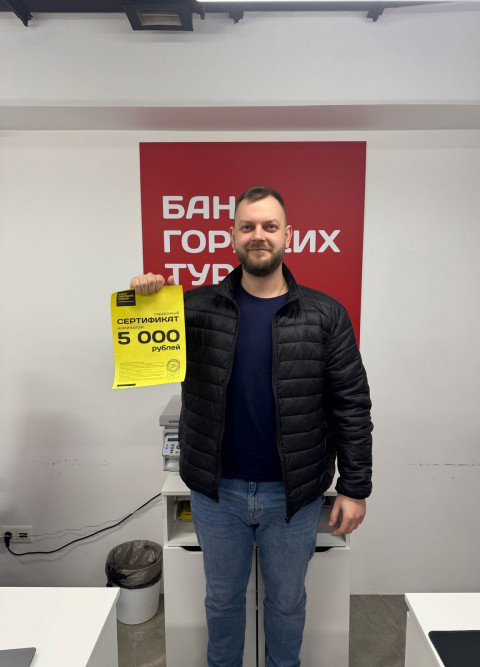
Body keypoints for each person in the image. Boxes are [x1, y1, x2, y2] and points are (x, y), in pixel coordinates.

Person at [131, 185, 373, 667]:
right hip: (217, 493)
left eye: (269, 226)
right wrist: (145, 302)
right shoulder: (193, 308)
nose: (258, 235)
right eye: (248, 226)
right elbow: (144, 357)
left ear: (288, 235)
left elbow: (351, 404)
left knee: (287, 603)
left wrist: (355, 487)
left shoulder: (326, 315)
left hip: (293, 496)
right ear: (233, 235)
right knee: (222, 602)